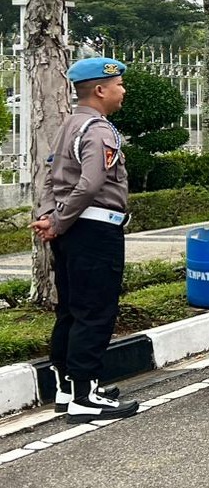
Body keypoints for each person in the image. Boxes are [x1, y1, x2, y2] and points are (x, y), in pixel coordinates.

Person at [32, 57, 140, 421]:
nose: (122, 91)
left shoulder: (68, 126)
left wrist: (50, 217)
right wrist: (59, 221)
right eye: (119, 85)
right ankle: (85, 395)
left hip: (71, 229)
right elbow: (91, 183)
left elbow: (52, 179)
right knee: (95, 311)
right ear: (100, 89)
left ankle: (66, 388)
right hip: (94, 230)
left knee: (71, 310)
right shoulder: (99, 130)